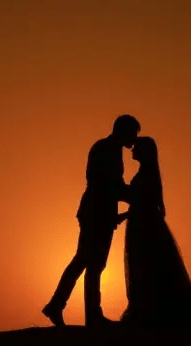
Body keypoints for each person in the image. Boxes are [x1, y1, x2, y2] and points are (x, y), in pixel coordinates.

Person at [42, 115, 140, 327]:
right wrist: (136, 196)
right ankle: (87, 313)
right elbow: (107, 184)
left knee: (87, 261)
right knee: (90, 262)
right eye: (133, 133)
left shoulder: (110, 149)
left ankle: (62, 306)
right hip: (96, 212)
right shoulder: (105, 149)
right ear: (123, 131)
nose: (134, 139)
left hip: (99, 211)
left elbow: (113, 185)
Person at [119, 136, 191, 329]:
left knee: (146, 266)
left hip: (144, 226)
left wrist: (118, 192)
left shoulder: (147, 174)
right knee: (146, 266)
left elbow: (143, 201)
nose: (132, 150)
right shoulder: (147, 172)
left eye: (136, 147)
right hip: (142, 223)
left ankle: (150, 314)